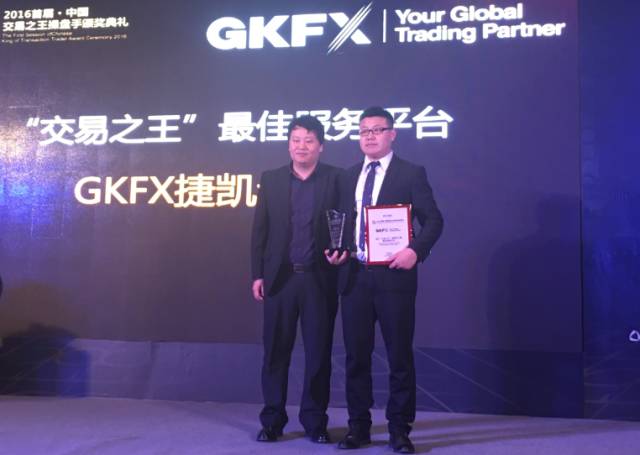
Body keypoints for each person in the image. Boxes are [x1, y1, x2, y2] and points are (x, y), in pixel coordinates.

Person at [327, 106, 443, 453]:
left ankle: (399, 430)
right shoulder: (347, 176)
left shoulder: (411, 173)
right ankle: (358, 428)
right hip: (355, 276)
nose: (370, 136)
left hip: (394, 277)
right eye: (364, 131)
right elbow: (340, 222)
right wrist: (338, 250)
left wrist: (415, 251)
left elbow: (434, 220)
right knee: (355, 357)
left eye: (377, 130)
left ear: (392, 134)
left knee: (399, 357)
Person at [251, 115, 341, 444]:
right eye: (295, 139)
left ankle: (315, 421)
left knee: (318, 354)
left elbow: (344, 222)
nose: (301, 146)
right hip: (280, 279)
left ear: (321, 146)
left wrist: (341, 251)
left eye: (308, 140)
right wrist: (257, 274)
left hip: (319, 279)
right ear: (289, 143)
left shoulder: (336, 179)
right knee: (275, 353)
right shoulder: (272, 179)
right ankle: (272, 420)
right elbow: (260, 230)